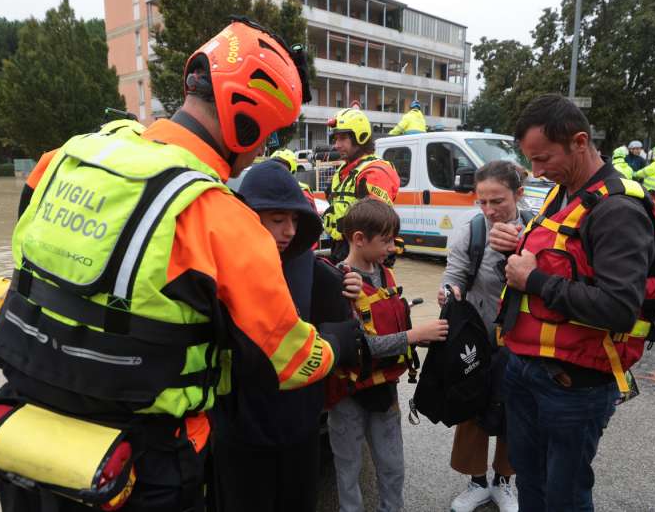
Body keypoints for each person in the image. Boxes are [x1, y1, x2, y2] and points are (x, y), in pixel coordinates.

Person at [0, 19, 363, 512]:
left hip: (22, 442)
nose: (262, 148)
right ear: (249, 121)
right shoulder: (222, 219)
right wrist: (342, 342)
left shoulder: (63, 159)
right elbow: (289, 360)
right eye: (268, 134)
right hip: (140, 468)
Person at [490, 94, 655, 511]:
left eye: (543, 158)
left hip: (572, 386)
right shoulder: (565, 191)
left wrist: (531, 278)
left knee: (565, 496)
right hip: (528, 369)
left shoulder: (617, 210)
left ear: (579, 141)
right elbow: (568, 264)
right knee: (531, 482)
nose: (536, 171)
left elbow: (618, 307)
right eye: (530, 161)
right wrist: (516, 252)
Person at [210, 160, 362, 512]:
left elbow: (348, 339)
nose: (290, 231)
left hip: (300, 433)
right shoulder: (215, 274)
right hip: (239, 434)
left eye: (295, 220)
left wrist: (350, 296)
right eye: (278, 220)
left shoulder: (319, 275)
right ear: (246, 217)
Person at [327, 198, 448, 512]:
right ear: (358, 239)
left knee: (392, 465)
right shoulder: (340, 284)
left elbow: (391, 320)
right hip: (349, 394)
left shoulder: (386, 276)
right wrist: (415, 335)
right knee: (348, 465)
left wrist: (426, 338)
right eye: (385, 241)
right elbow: (362, 346)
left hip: (384, 389)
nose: (393, 247)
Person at [437, 161, 526, 512]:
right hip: (477, 335)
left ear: (518, 194)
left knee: (515, 409)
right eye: (482, 201)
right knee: (471, 406)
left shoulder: (537, 230)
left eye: (498, 201)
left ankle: (505, 480)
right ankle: (476, 482)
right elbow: (453, 275)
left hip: (521, 337)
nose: (489, 210)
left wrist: (519, 250)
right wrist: (448, 291)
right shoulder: (469, 233)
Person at [323, 108, 400, 263]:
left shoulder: (375, 172)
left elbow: (378, 225)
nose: (337, 145)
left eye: (343, 138)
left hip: (364, 256)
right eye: (336, 139)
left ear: (361, 137)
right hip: (342, 249)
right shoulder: (344, 171)